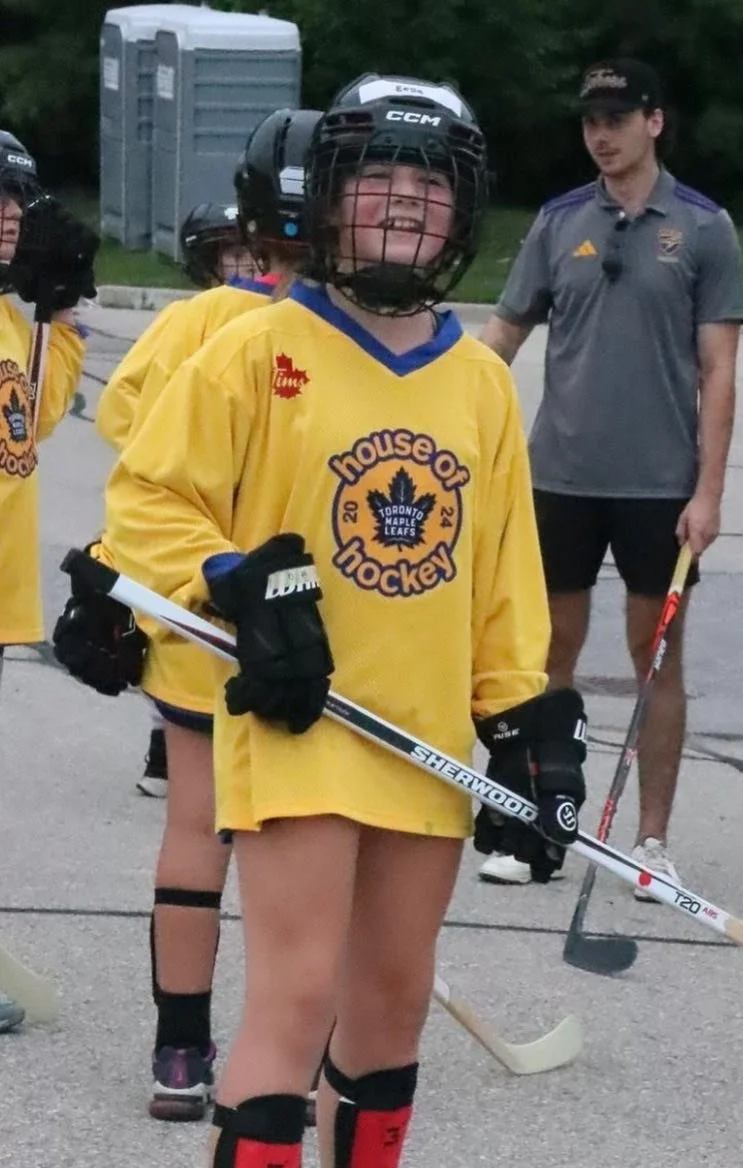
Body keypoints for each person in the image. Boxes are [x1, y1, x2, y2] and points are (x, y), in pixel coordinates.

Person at [76, 73, 586, 1168]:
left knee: (392, 1005)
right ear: (330, 196)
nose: (406, 204)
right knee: (297, 997)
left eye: (430, 186)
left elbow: (501, 573)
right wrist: (235, 576)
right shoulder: (255, 350)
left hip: (426, 742)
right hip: (303, 726)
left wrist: (522, 721)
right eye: (381, 180)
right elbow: (149, 500)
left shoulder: (481, 383)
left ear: (463, 210)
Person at [53, 107, 320, 1120]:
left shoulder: (195, 322)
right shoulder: (323, 326)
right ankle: (289, 1036)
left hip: (199, 603)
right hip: (274, 611)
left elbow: (128, 428)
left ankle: (181, 1045)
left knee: (197, 824)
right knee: (283, 834)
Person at [478, 58, 743, 891]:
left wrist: (708, 492)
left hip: (659, 485)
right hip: (560, 473)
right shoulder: (559, 222)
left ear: (654, 123)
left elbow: (720, 371)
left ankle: (651, 840)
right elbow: (501, 341)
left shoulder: (704, 227)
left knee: (654, 655)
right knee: (545, 647)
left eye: (618, 118)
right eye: (592, 120)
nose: (602, 134)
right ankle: (536, 819)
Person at [108, 202, 259, 800]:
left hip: (251, 502)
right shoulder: (190, 318)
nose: (243, 260)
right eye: (229, 251)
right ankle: (166, 740)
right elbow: (124, 400)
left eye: (248, 247)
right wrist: (159, 452)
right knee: (179, 625)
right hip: (190, 492)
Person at [0, 128, 94, 1035]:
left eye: (15, 200)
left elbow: (31, 432)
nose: (6, 215)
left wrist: (58, 319)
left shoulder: (15, 322)